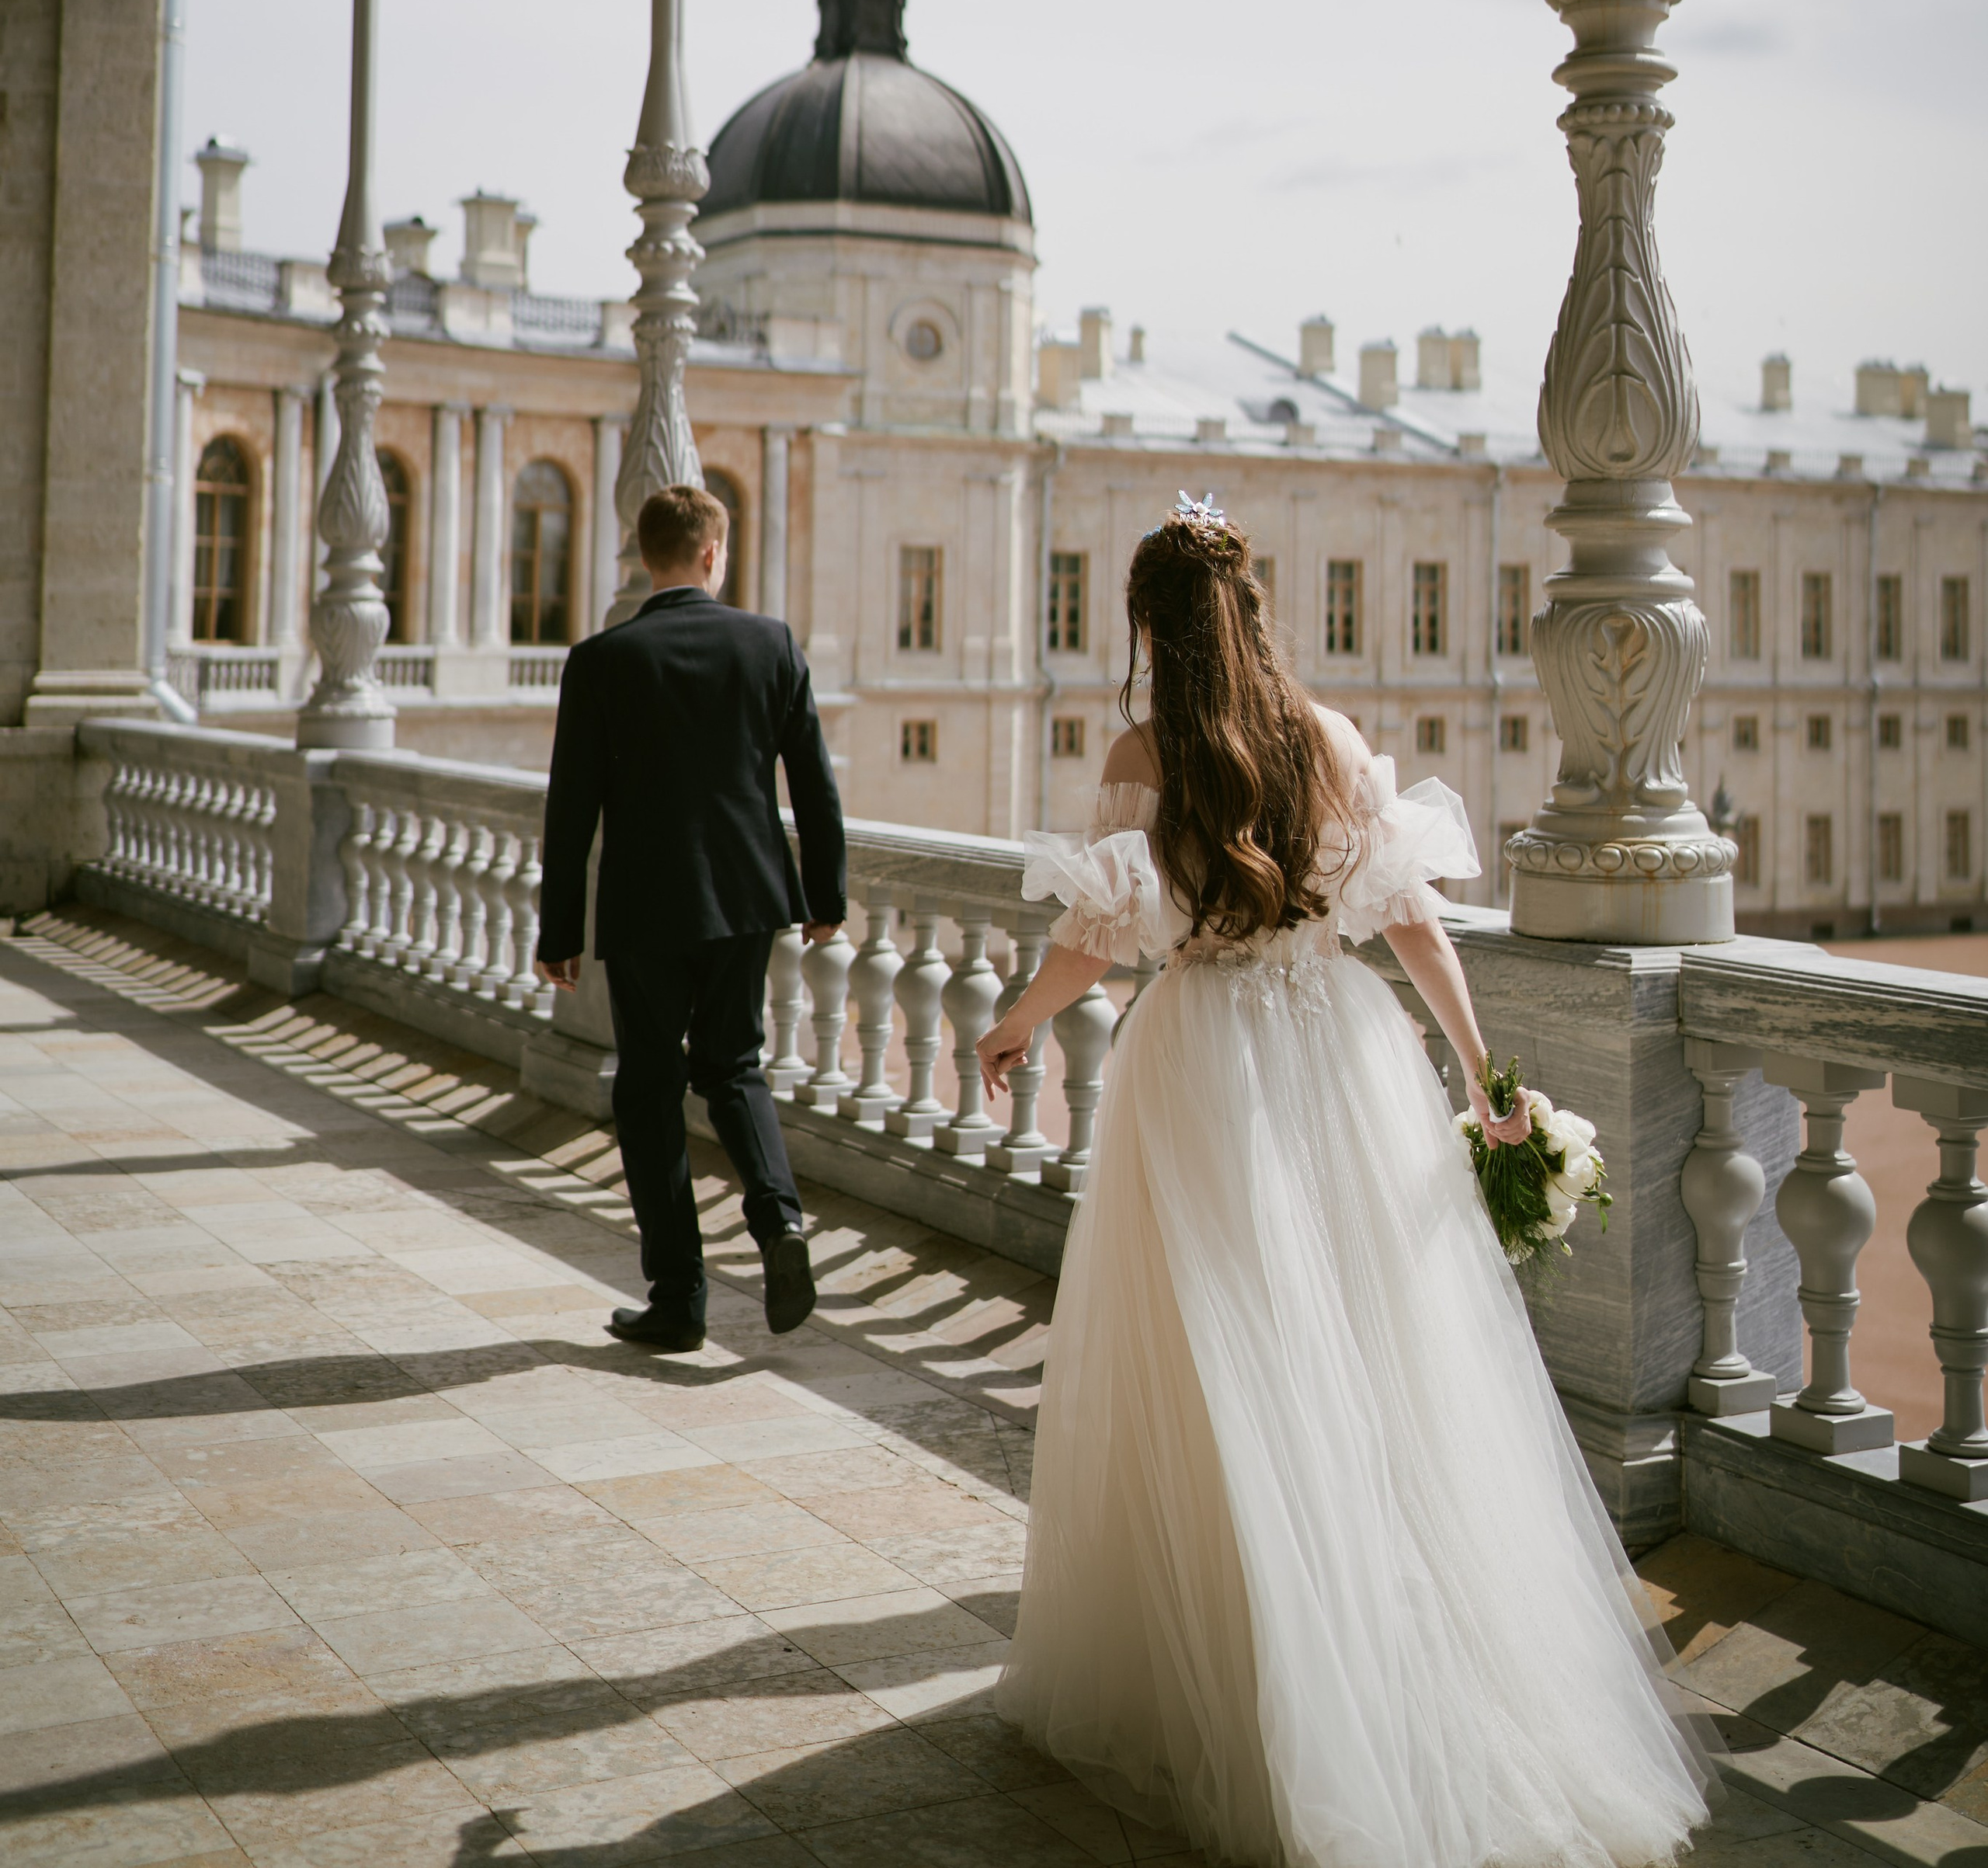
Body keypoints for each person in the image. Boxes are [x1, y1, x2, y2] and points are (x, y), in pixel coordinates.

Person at [976, 496, 1715, 1868]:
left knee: (1228, 1370)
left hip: (1201, 1065)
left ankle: (1263, 1678)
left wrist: (1022, 1020)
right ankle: (1391, 1668)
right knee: (1378, 1366)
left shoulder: (1144, 751)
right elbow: (1415, 926)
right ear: (1251, 611)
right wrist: (1484, 1079)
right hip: (1340, 1053)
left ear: (1149, 626)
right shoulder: (1322, 737)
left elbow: (1097, 935)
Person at [536, 482, 845, 1352]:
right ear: (713, 553)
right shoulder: (771, 643)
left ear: (642, 554)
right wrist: (825, 897)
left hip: (643, 905)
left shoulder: (601, 659)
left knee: (648, 1087)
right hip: (748, 898)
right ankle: (779, 1221)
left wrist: (559, 931)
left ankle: (679, 1296)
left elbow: (572, 810)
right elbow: (814, 788)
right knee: (733, 1063)